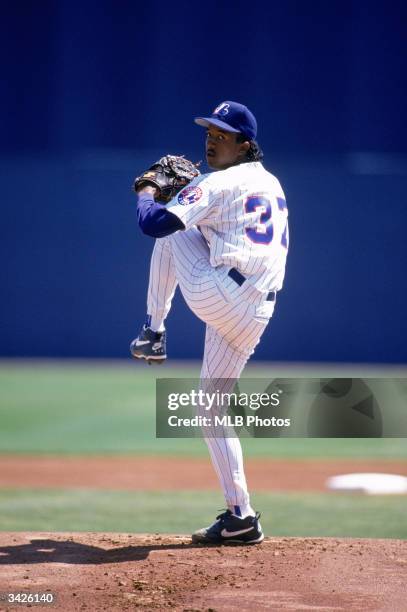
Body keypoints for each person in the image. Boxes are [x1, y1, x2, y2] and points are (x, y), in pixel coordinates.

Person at [131, 101, 289, 545]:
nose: (211, 140)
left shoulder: (219, 183)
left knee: (174, 228)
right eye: (209, 133)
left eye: (222, 135)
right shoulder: (270, 182)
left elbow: (153, 224)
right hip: (256, 310)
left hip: (224, 296)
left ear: (244, 144)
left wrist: (148, 190)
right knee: (209, 410)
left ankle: (154, 333)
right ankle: (242, 517)